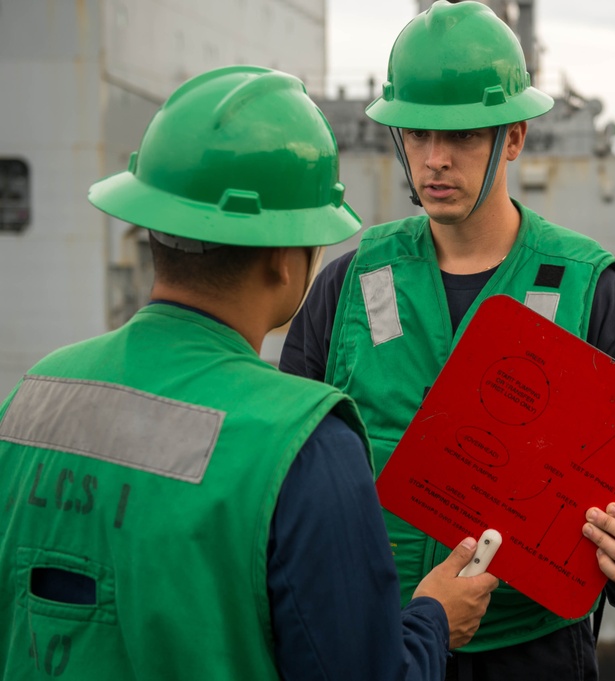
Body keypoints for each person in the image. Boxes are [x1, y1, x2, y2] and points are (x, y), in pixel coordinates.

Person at [0, 65, 497, 680]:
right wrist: (432, 621)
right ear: (286, 259)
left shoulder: (32, 398)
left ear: (153, 227)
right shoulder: (304, 444)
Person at [280, 3, 615, 680]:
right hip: (378, 645)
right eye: (415, 134)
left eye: (464, 136)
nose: (434, 159)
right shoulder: (348, 287)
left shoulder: (591, 294)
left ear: (514, 138)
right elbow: (285, 464)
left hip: (532, 652)